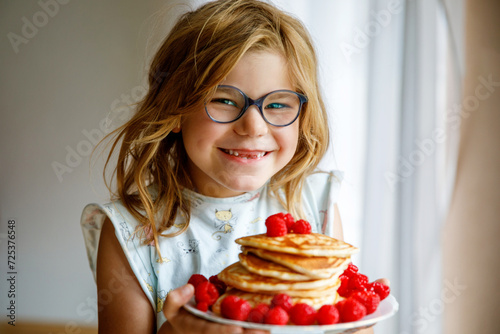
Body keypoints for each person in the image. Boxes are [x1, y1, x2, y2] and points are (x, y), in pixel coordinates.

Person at [81, 0, 385, 333]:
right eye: (224, 100)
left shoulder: (315, 204)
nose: (253, 127)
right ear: (176, 109)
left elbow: (334, 314)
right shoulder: (130, 231)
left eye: (279, 103)